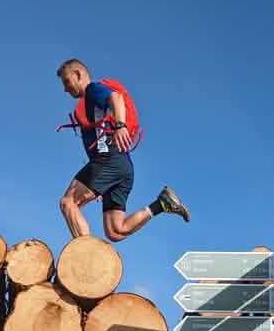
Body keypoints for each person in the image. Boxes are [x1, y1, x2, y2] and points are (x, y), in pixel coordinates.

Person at [57, 59, 190, 241]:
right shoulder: (90, 102)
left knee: (68, 202)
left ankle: (85, 256)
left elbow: (116, 98)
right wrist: (100, 184)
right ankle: (161, 204)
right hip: (122, 167)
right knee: (115, 231)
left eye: (66, 81)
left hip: (108, 160)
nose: (65, 88)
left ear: (78, 74)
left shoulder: (92, 89)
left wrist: (120, 126)